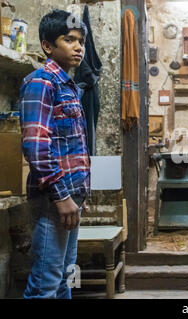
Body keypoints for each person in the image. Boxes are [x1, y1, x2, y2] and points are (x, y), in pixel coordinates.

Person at [19, 9, 90, 299]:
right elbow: (36, 146)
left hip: (71, 198)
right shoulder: (41, 82)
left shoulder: (68, 86)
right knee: (46, 282)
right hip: (54, 200)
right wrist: (61, 197)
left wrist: (77, 195)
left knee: (67, 277)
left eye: (80, 41)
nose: (78, 47)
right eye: (69, 40)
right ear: (48, 46)